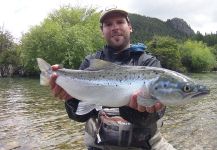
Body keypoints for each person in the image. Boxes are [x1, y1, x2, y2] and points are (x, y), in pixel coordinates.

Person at [50, 8, 176, 150]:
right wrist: (71, 99)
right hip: (99, 145)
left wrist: (137, 110)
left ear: (130, 27)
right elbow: (79, 116)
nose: (115, 27)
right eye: (108, 24)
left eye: (120, 22)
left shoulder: (149, 64)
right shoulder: (91, 61)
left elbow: (156, 115)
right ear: (102, 31)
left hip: (145, 145)